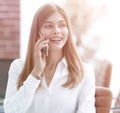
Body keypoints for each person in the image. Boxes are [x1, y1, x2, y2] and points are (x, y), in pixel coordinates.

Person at [4, 2, 96, 113]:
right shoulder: (18, 67)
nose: (57, 31)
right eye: (48, 26)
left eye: (62, 25)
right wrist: (36, 73)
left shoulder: (84, 72)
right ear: (37, 32)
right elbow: (10, 111)